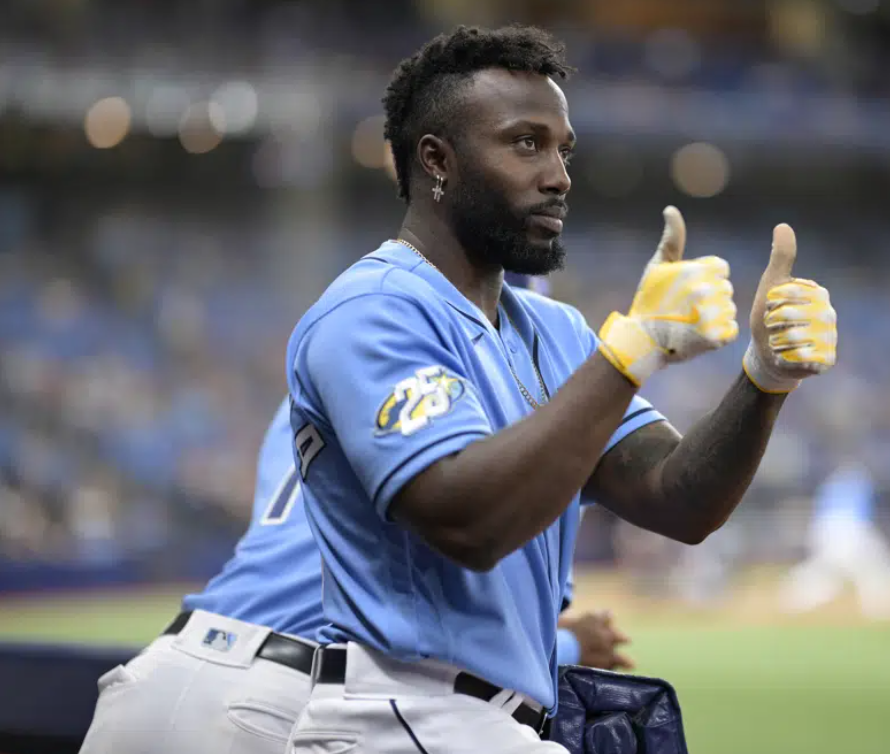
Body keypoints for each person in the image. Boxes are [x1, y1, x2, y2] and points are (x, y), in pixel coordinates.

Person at [283, 24, 837, 754]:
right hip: (404, 712)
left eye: (562, 148)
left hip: (489, 719)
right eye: (524, 143)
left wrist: (763, 379)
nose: (558, 175)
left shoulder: (555, 329)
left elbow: (679, 498)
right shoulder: (373, 311)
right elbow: (468, 523)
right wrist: (632, 350)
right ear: (437, 160)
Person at [77, 290, 630, 754]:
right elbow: (456, 633)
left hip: (163, 669)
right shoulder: (495, 419)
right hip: (277, 702)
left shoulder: (335, 375)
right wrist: (574, 647)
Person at [778, 460, 890, 620]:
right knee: (873, 565)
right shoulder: (860, 483)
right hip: (850, 530)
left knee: (831, 570)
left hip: (824, 530)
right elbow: (866, 513)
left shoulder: (830, 485)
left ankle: (795, 593)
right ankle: (882, 608)